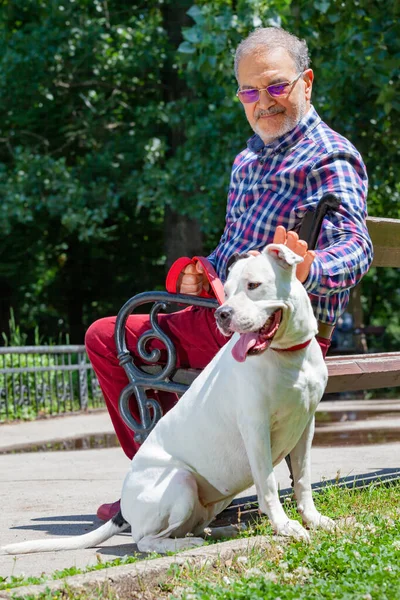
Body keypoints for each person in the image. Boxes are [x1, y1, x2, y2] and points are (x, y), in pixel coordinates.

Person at [85, 27, 373, 520]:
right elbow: (229, 251)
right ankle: (164, 480)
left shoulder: (329, 156)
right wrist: (199, 274)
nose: (263, 102)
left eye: (276, 86)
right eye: (249, 91)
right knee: (132, 329)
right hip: (229, 315)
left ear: (307, 83)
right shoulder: (247, 160)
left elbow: (357, 245)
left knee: (105, 336)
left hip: (279, 335)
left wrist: (310, 266)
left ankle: (154, 478)